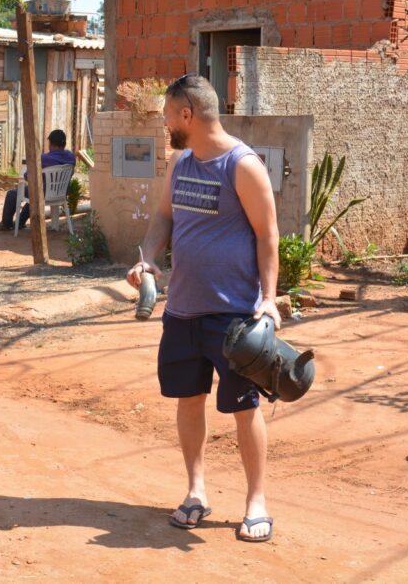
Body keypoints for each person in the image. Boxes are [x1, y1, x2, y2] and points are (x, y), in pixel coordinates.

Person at [125, 73, 281, 542]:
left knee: (244, 406)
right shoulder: (181, 163)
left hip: (234, 316)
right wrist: (147, 259)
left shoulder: (242, 165)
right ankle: (196, 491)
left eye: (169, 115)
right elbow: (165, 217)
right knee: (188, 401)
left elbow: (268, 234)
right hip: (182, 311)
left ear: (187, 114)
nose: (166, 123)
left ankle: (256, 501)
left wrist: (269, 300)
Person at [0, 129, 76, 231]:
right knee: (34, 193)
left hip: (43, 194)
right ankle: (20, 222)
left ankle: (6, 224)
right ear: (64, 143)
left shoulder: (43, 159)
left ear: (51, 143)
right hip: (60, 194)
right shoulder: (71, 157)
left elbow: (28, 176)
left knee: (13, 194)